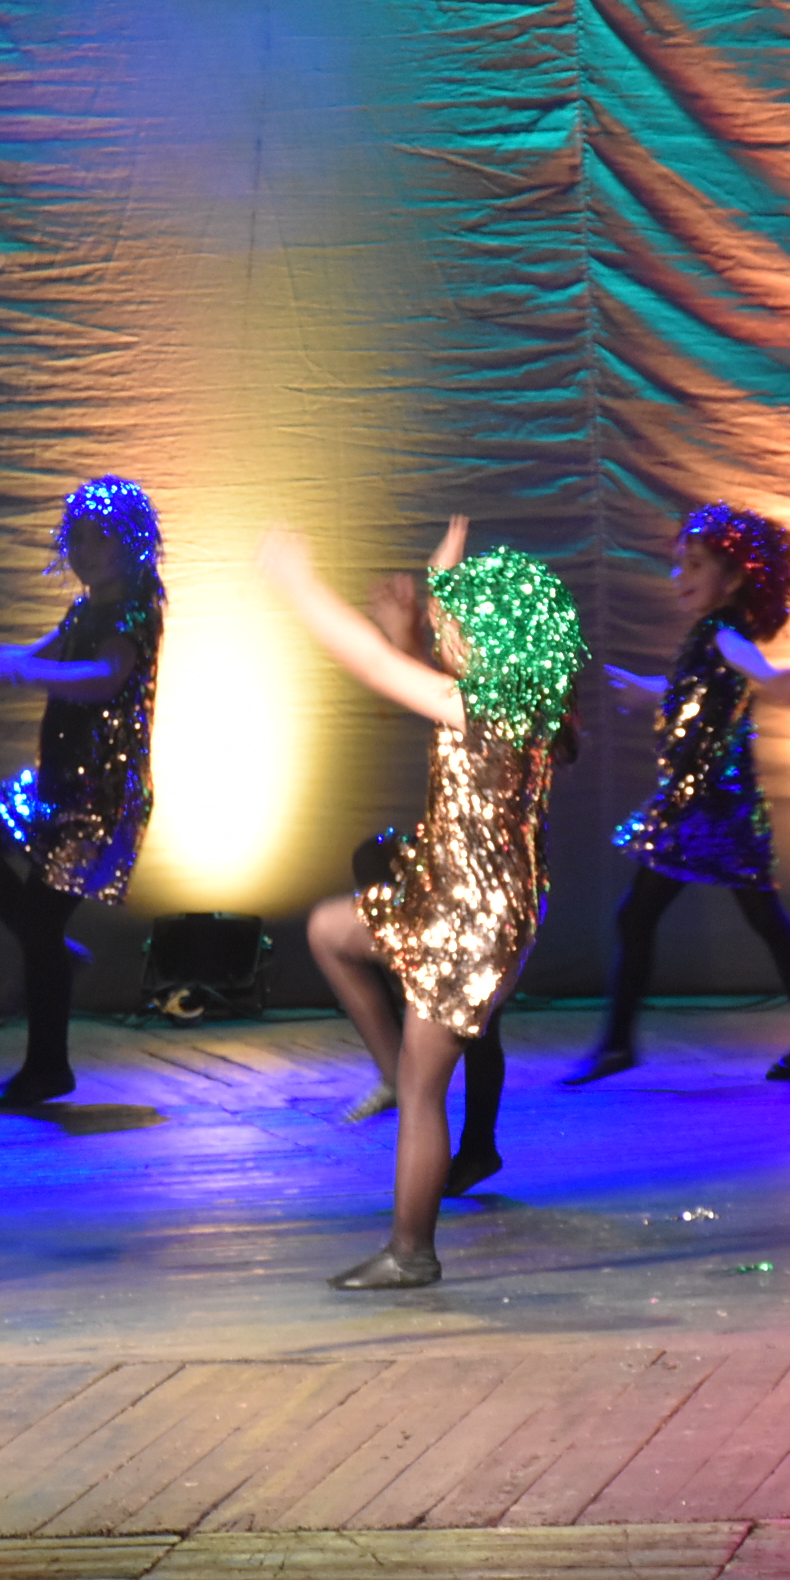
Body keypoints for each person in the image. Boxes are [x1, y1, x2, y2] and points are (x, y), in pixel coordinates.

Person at [262, 521, 582, 1290]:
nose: (444, 635)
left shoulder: (480, 708)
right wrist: (429, 598)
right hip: (460, 900)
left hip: (466, 922)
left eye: (454, 627)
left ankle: (411, 1252)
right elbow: (420, 663)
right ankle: (391, 1074)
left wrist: (300, 586)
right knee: (332, 930)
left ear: (492, 645)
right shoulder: (532, 708)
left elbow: (378, 666)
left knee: (425, 1091)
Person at [567, 503, 790, 1085]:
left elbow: (742, 659)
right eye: (678, 564)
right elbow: (697, 689)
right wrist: (652, 691)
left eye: (694, 565)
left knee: (651, 914)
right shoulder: (707, 637)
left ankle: (618, 1046)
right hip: (702, 804)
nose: (678, 576)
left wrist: (771, 678)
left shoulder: (724, 632)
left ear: (732, 579)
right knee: (734, 916)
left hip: (712, 808)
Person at [0, 476, 165, 1107]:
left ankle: (47, 1069)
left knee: (39, 924)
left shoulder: (134, 611)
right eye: (76, 539)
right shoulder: (86, 608)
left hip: (97, 802)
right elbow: (44, 654)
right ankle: (55, 953)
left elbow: (103, 677)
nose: (82, 552)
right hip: (54, 785)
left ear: (129, 544)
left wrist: (25, 669)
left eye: (97, 539)